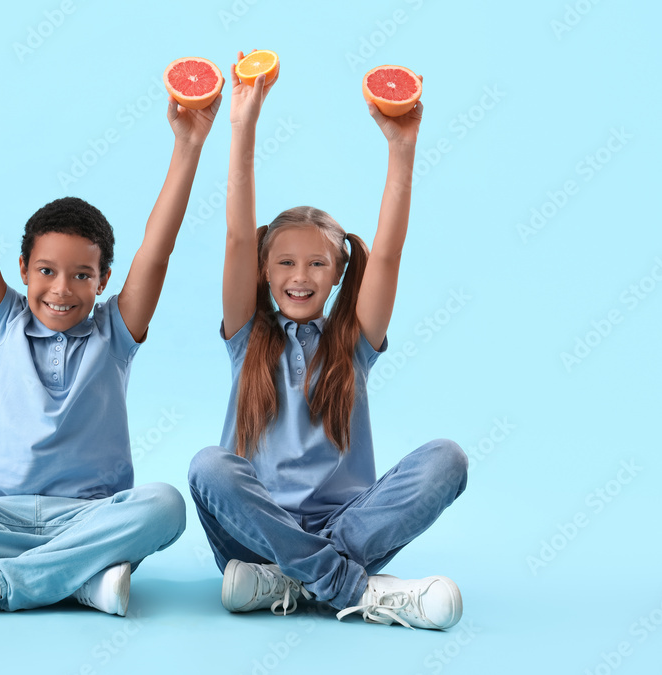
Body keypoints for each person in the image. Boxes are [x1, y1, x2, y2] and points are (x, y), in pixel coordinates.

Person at [0, 53, 221, 617]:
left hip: (89, 515)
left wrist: (189, 146)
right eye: (46, 271)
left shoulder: (115, 331)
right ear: (22, 270)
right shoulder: (3, 320)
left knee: (165, 507)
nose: (61, 289)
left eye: (82, 275)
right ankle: (79, 576)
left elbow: (156, 252)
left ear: (103, 280)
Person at [187, 55, 468, 630]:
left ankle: (290, 581)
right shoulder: (248, 334)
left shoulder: (353, 341)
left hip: (351, 530)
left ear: (338, 273)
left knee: (448, 459)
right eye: (286, 262)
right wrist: (243, 123)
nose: (301, 275)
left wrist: (402, 148)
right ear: (263, 270)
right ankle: (352, 589)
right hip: (253, 536)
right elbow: (239, 233)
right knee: (208, 466)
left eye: (318, 264)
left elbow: (386, 254)